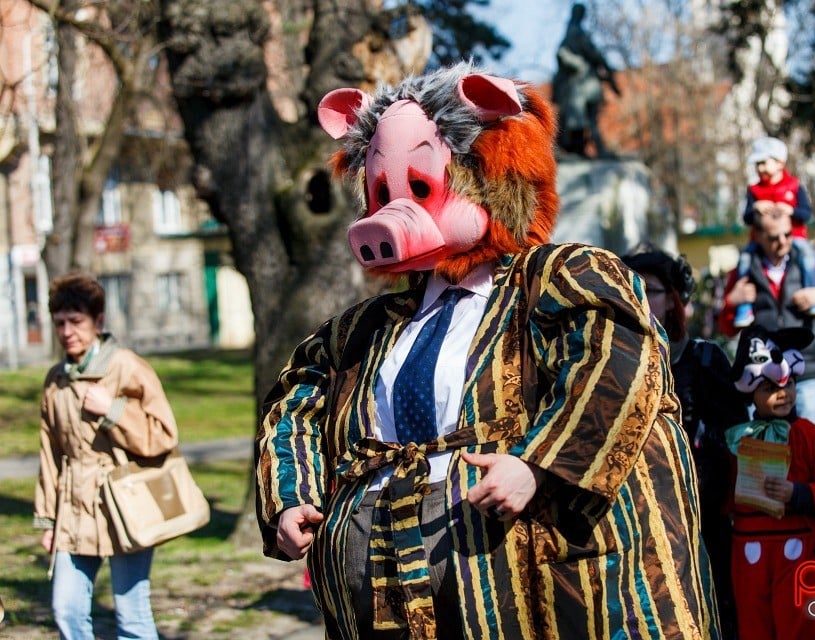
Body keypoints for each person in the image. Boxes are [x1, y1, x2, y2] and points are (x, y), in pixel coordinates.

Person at [258, 64, 716, 639]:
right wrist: (291, 495)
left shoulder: (559, 278)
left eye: (420, 189)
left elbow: (616, 364)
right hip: (390, 578)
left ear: (492, 178)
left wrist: (539, 465)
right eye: (383, 194)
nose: (389, 213)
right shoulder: (363, 329)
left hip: (518, 578)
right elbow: (298, 397)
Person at [34, 273, 178, 640]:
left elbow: (163, 435)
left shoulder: (127, 366)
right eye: (59, 323)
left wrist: (113, 410)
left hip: (126, 506)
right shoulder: (56, 380)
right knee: (66, 610)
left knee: (132, 617)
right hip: (74, 511)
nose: (67, 331)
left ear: (98, 322)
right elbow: (50, 454)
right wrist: (47, 520)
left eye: (76, 322)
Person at [621, 246, 748, 640]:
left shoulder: (704, 358)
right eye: (628, 287)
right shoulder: (614, 358)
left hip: (702, 507)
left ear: (674, 300)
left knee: (711, 600)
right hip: (638, 508)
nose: (637, 296)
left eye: (649, 289)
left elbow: (736, 432)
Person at [725, 325, 815, 640]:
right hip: (747, 549)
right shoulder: (737, 438)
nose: (783, 394)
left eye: (790, 384)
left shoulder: (811, 437)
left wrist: (800, 494)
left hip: (796, 551)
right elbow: (724, 495)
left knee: (799, 623)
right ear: (751, 391)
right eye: (769, 388)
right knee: (752, 623)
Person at [720, 210, 815, 427]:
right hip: (764, 378)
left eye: (788, 235)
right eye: (774, 237)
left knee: (808, 445)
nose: (782, 242)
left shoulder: (813, 264)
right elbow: (727, 328)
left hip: (807, 370)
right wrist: (732, 301)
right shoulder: (744, 270)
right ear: (758, 236)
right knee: (766, 450)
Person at [732, 136, 815, 328]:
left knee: (808, 255)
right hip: (760, 242)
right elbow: (746, 217)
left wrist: (791, 210)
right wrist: (756, 206)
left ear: (780, 163)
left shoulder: (794, 186)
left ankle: (811, 291)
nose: (760, 168)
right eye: (758, 164)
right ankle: (745, 305)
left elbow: (806, 213)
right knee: (745, 260)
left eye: (764, 162)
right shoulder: (754, 190)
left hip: (796, 238)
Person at [551, 2, 620, 157]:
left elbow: (595, 56)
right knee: (578, 120)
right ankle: (581, 149)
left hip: (585, 86)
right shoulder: (575, 33)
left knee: (585, 119)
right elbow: (564, 54)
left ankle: (591, 149)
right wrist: (581, 66)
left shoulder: (576, 33)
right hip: (580, 86)